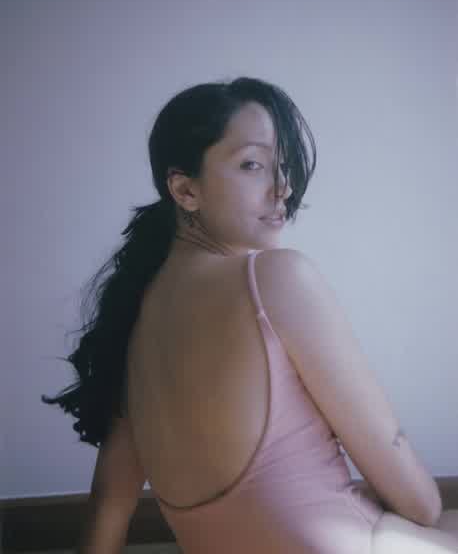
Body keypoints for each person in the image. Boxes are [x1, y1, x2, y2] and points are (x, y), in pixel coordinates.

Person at [42, 77, 458, 553]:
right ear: (185, 189)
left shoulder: (133, 317)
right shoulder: (277, 279)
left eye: (283, 166)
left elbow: (108, 507)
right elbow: (419, 503)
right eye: (253, 165)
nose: (283, 188)